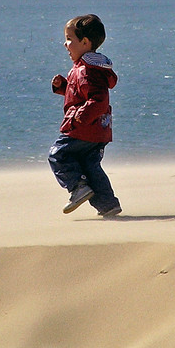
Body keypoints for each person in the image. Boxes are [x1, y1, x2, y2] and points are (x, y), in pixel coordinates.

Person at [48, 14, 122, 217]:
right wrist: (64, 86)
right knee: (90, 165)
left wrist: (80, 117)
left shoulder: (85, 71)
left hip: (83, 127)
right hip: (99, 130)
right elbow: (83, 94)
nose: (65, 44)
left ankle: (77, 187)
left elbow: (98, 100)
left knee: (58, 154)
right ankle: (107, 204)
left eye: (69, 39)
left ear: (85, 42)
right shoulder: (89, 68)